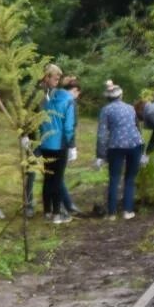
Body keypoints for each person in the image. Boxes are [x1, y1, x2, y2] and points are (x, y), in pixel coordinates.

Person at [95, 82, 143, 220]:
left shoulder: (106, 110)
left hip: (116, 145)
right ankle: (128, 211)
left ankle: (111, 213)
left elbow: (102, 134)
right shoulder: (130, 108)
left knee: (114, 178)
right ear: (121, 95)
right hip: (135, 143)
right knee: (130, 178)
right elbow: (137, 127)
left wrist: (100, 154)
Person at [35, 65, 75, 223]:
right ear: (47, 77)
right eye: (55, 78)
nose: (57, 81)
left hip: (45, 144)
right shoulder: (66, 98)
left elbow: (36, 122)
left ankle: (46, 212)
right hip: (59, 144)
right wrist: (71, 144)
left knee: (48, 178)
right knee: (57, 179)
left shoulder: (41, 98)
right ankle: (57, 214)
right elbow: (69, 125)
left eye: (59, 79)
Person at [59, 76, 84, 216]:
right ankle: (66, 205)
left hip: (51, 140)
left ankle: (66, 204)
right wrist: (72, 146)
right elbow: (70, 127)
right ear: (74, 90)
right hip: (62, 143)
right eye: (78, 93)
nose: (78, 96)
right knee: (57, 175)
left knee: (55, 175)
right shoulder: (71, 102)